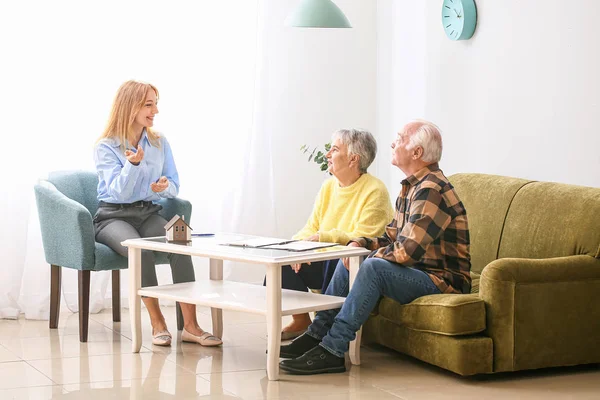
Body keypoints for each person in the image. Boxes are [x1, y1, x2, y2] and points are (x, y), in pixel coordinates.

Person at [279, 120, 471, 375]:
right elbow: (391, 237)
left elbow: (406, 251)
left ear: (417, 153)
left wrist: (367, 254)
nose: (393, 143)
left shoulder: (431, 189)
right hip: (419, 272)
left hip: (441, 280)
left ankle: (333, 349)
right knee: (353, 253)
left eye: (400, 139)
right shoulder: (411, 187)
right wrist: (359, 244)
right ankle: (316, 335)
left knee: (371, 267)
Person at [93, 80, 222, 347]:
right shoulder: (106, 146)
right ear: (130, 107)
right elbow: (116, 192)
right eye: (149, 104)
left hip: (148, 211)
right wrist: (133, 165)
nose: (155, 111)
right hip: (112, 217)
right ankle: (157, 322)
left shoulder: (159, 142)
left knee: (181, 242)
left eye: (155, 104)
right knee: (141, 250)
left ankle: (191, 326)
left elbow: (174, 182)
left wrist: (164, 188)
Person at [273, 129, 393, 340]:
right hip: (323, 257)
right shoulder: (328, 187)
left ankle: (324, 326)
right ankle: (302, 321)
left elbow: (364, 237)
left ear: (353, 159)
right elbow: (311, 227)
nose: (328, 154)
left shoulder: (375, 190)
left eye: (334, 149)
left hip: (345, 263)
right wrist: (295, 247)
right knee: (280, 263)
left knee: (338, 259)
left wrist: (323, 237)